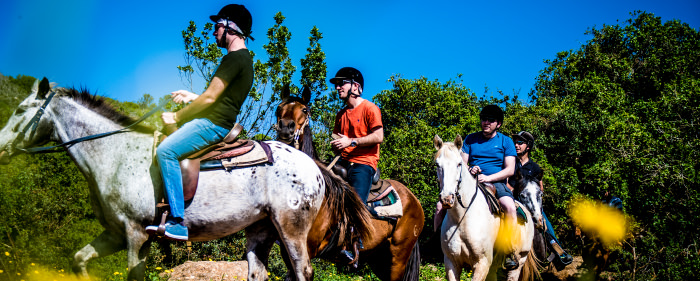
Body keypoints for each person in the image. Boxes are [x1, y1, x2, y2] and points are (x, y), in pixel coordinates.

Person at [145, 4, 254, 241]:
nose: (214, 32)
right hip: (219, 119)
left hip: (212, 124)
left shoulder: (234, 59)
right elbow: (223, 99)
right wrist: (190, 96)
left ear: (230, 28)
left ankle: (176, 221)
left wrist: (177, 116)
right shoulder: (245, 60)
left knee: (166, 150)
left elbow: (211, 97)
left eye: (217, 26)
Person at [329, 67, 383, 264]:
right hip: (343, 162)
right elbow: (339, 141)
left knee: (354, 202)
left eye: (341, 83)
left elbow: (379, 137)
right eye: (337, 84)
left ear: (356, 87)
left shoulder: (370, 108)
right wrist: (337, 145)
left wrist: (351, 141)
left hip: (364, 163)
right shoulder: (340, 114)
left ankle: (354, 248)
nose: (337, 87)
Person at [462, 104, 520, 270]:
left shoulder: (506, 141)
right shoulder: (470, 139)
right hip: (472, 182)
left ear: (498, 124)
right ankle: (439, 245)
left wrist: (488, 177)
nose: (486, 122)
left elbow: (509, 169)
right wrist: (470, 170)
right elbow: (462, 163)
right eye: (483, 119)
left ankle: (510, 250)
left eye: (491, 120)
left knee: (509, 207)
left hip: (497, 183)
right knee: (441, 205)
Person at [507, 131, 573, 266]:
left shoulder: (535, 168)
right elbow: (506, 182)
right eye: (515, 142)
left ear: (528, 146)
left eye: (520, 142)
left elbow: (540, 188)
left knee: (545, 223)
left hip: (531, 203)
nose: (516, 145)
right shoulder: (510, 163)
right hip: (514, 202)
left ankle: (558, 251)